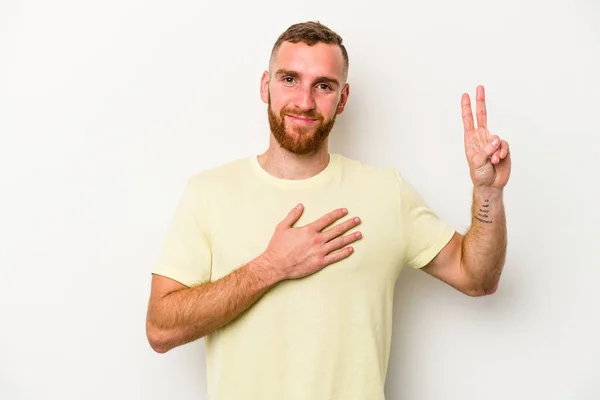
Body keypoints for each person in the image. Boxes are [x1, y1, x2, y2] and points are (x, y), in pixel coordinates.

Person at [145, 21, 511, 400]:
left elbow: (477, 277)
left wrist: (488, 193)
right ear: (264, 86)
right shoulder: (209, 193)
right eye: (289, 79)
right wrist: (270, 267)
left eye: (323, 85)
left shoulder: (387, 192)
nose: (304, 101)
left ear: (343, 97)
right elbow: (160, 329)